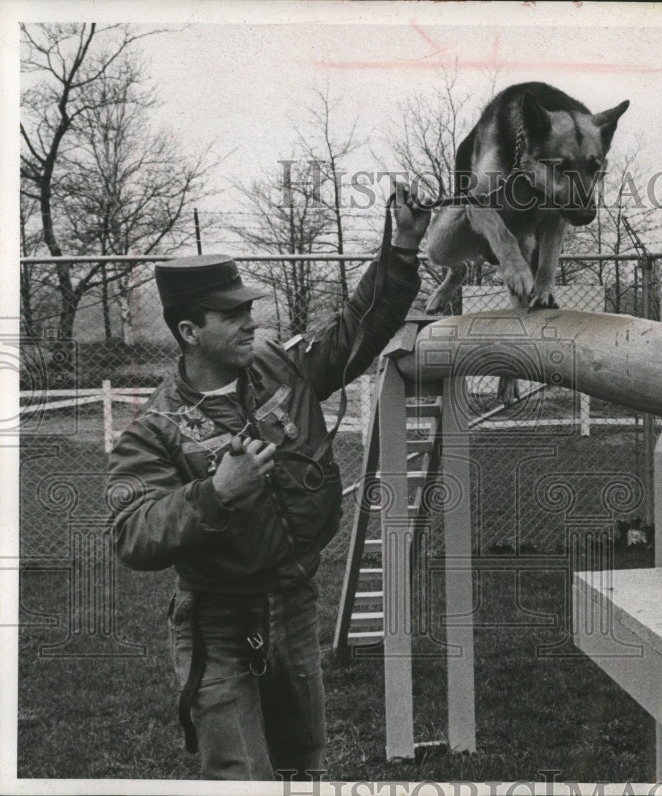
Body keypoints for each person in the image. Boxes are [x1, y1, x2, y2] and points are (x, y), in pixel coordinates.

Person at [106, 184, 430, 781]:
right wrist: (214, 494)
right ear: (189, 332)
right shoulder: (155, 427)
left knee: (302, 763)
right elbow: (130, 533)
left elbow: (357, 329)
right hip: (217, 621)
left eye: (248, 310)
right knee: (241, 773)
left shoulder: (279, 365)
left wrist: (403, 248)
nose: (249, 322)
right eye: (232, 315)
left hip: (293, 601)